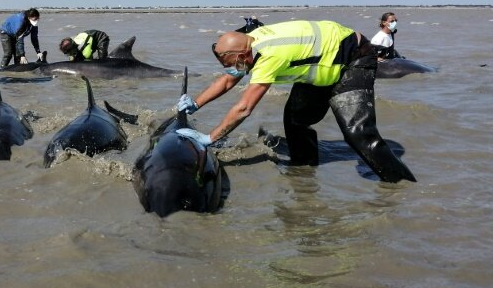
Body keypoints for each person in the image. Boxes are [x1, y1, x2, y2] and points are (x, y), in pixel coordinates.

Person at [176, 20, 416, 183]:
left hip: (353, 57)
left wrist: (210, 138)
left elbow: (244, 107)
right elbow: (229, 79)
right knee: (295, 120)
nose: (233, 69)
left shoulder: (270, 56)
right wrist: (195, 103)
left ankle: (400, 184)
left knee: (357, 133)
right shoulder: (250, 41)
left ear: (243, 55)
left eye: (234, 63)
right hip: (321, 62)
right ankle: (304, 171)